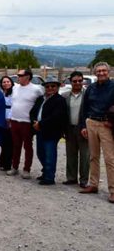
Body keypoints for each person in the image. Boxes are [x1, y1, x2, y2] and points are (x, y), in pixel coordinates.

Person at [79, 62, 114, 203]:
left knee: (110, 159)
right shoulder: (91, 88)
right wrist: (83, 125)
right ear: (95, 73)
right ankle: (93, 185)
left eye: (103, 71)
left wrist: (112, 122)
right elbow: (84, 107)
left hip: (106, 125)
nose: (101, 73)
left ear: (109, 72)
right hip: (91, 122)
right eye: (98, 71)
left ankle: (113, 190)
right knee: (93, 156)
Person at [30, 76, 67, 185]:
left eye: (53, 86)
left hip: (51, 131)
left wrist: (40, 124)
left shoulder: (60, 100)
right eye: (48, 86)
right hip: (39, 130)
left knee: (50, 154)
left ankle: (49, 177)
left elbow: (56, 116)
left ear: (57, 87)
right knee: (40, 153)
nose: (50, 88)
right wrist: (34, 122)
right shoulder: (41, 99)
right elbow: (33, 112)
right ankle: (45, 171)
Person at [7, 69, 43, 179]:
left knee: (28, 146)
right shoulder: (15, 87)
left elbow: (41, 103)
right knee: (16, 145)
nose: (18, 77)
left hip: (27, 122)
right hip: (14, 120)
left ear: (28, 76)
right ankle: (14, 167)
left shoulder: (36, 89)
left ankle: (27, 169)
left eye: (20, 75)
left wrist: (36, 119)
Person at [61, 71, 89, 188]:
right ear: (70, 82)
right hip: (69, 128)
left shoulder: (88, 95)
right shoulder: (65, 96)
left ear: (82, 81)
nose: (77, 83)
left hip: (84, 129)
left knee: (85, 156)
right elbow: (62, 114)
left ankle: (84, 180)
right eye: (74, 81)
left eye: (79, 80)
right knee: (71, 154)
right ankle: (71, 178)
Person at [0, 75, 14, 171]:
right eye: (4, 82)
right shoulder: (2, 93)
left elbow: (14, 106)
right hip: (2, 119)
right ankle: (2, 161)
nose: (6, 83)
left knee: (9, 143)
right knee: (4, 143)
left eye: (8, 81)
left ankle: (8, 164)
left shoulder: (14, 93)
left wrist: (10, 118)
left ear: (11, 83)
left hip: (10, 119)